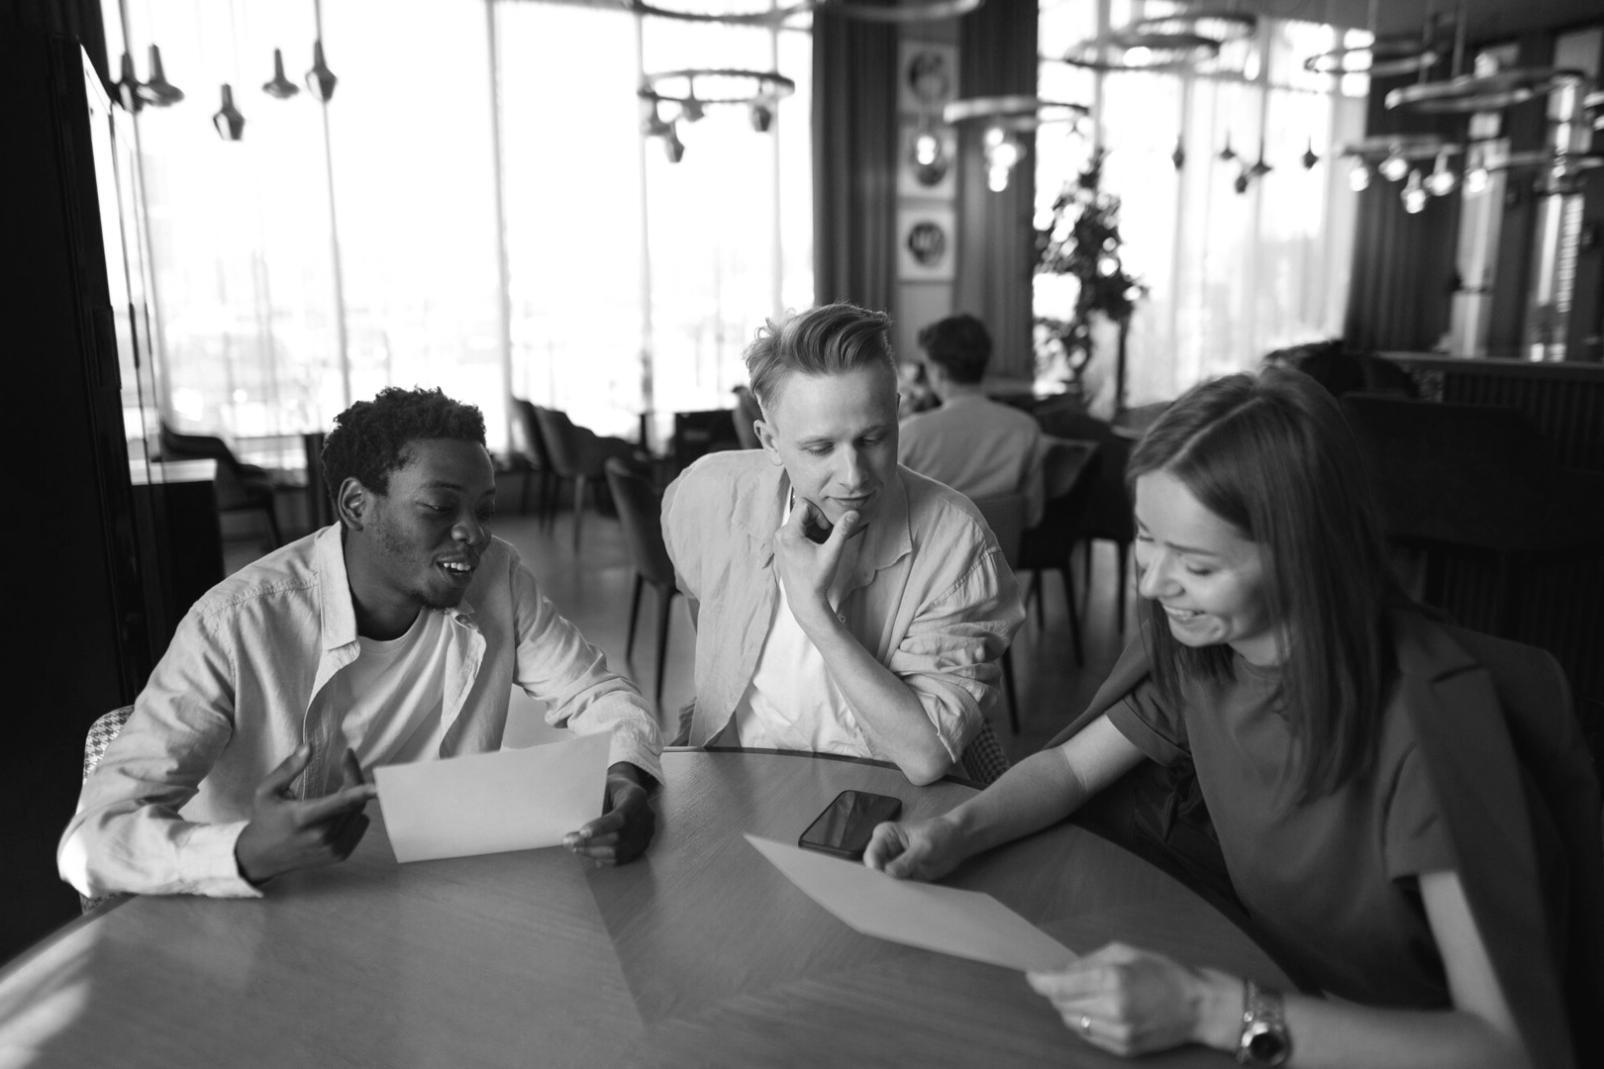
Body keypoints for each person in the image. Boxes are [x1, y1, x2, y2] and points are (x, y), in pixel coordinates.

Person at [865, 368, 1602, 1068]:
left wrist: (1209, 1009)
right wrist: (953, 833)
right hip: (1270, 979)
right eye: (1146, 538)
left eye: (1198, 564)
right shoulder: (1204, 654)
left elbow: (1511, 1048)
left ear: (1304, 557)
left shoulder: (1432, 730)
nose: (1153, 584)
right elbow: (1069, 770)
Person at [61, 388, 662, 898]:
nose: (474, 534)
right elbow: (90, 841)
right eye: (439, 507)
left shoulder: (496, 578)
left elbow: (596, 693)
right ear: (356, 505)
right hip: (267, 908)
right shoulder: (235, 624)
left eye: (483, 510)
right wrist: (244, 851)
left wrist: (627, 778)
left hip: (427, 891)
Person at [661, 302, 1024, 786]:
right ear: (769, 441)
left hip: (885, 796)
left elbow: (924, 757)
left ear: (897, 413)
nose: (854, 477)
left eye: (873, 439)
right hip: (739, 782)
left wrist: (813, 611)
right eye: (820, 448)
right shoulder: (707, 492)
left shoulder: (958, 543)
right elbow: (699, 597)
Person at [898, 313, 1046, 528]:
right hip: (1003, 547)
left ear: (938, 371)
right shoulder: (1025, 428)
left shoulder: (911, 433)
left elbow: (890, 515)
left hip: (931, 548)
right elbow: (1033, 515)